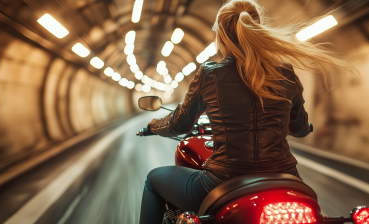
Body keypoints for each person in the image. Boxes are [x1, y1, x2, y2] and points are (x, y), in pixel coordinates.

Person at [139, 0, 355, 223]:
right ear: (257, 31)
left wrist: (154, 125)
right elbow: (299, 128)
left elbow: (180, 124)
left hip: (223, 179)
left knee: (153, 180)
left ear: (221, 37)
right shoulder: (285, 72)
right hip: (286, 177)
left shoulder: (209, 74)